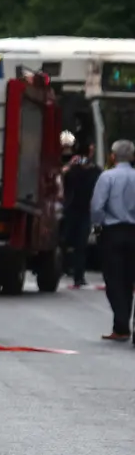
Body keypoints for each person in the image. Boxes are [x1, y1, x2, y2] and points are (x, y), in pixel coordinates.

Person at [91, 139, 135, 342]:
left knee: (115, 279)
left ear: (112, 156)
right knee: (130, 279)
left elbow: (98, 206)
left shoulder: (107, 177)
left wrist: (98, 226)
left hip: (113, 232)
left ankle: (121, 324)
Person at [62, 138, 101, 288]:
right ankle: (75, 273)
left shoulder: (74, 170)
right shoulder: (92, 171)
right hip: (79, 210)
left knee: (76, 243)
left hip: (78, 210)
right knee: (76, 243)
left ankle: (74, 272)